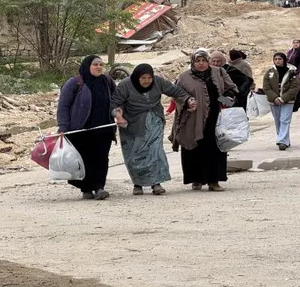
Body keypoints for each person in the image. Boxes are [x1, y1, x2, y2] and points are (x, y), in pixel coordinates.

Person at [112, 64, 196, 196]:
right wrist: (119, 116)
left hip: (154, 120)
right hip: (132, 124)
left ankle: (156, 183)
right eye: (143, 78)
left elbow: (176, 91)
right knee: (135, 154)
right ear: (136, 77)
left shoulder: (158, 82)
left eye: (149, 77)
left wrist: (188, 100)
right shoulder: (125, 85)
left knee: (155, 151)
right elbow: (115, 102)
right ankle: (137, 184)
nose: (146, 81)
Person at [171, 49, 238, 192]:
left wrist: (225, 100)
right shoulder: (184, 77)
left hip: (215, 119)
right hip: (193, 119)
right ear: (193, 62)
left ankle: (214, 181)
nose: (201, 64)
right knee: (194, 148)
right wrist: (187, 101)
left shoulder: (218, 72)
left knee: (215, 149)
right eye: (197, 61)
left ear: (208, 61)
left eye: (204, 60)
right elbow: (177, 95)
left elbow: (231, 89)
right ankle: (196, 179)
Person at [57, 55, 116, 200]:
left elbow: (116, 100)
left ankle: (99, 187)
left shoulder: (107, 81)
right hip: (80, 130)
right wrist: (63, 126)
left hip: (103, 128)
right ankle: (86, 188)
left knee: (101, 158)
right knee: (83, 159)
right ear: (87, 66)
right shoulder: (75, 83)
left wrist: (119, 114)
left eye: (101, 64)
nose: (99, 67)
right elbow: (63, 106)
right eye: (95, 64)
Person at [263, 53, 300, 151]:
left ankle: (282, 141)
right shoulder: (269, 72)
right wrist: (275, 98)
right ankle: (284, 139)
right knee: (278, 120)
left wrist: (283, 98)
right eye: (275, 59)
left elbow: (294, 87)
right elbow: (266, 87)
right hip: (273, 101)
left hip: (288, 100)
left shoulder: (292, 72)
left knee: (285, 120)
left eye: (280, 59)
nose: (277, 61)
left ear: (284, 60)